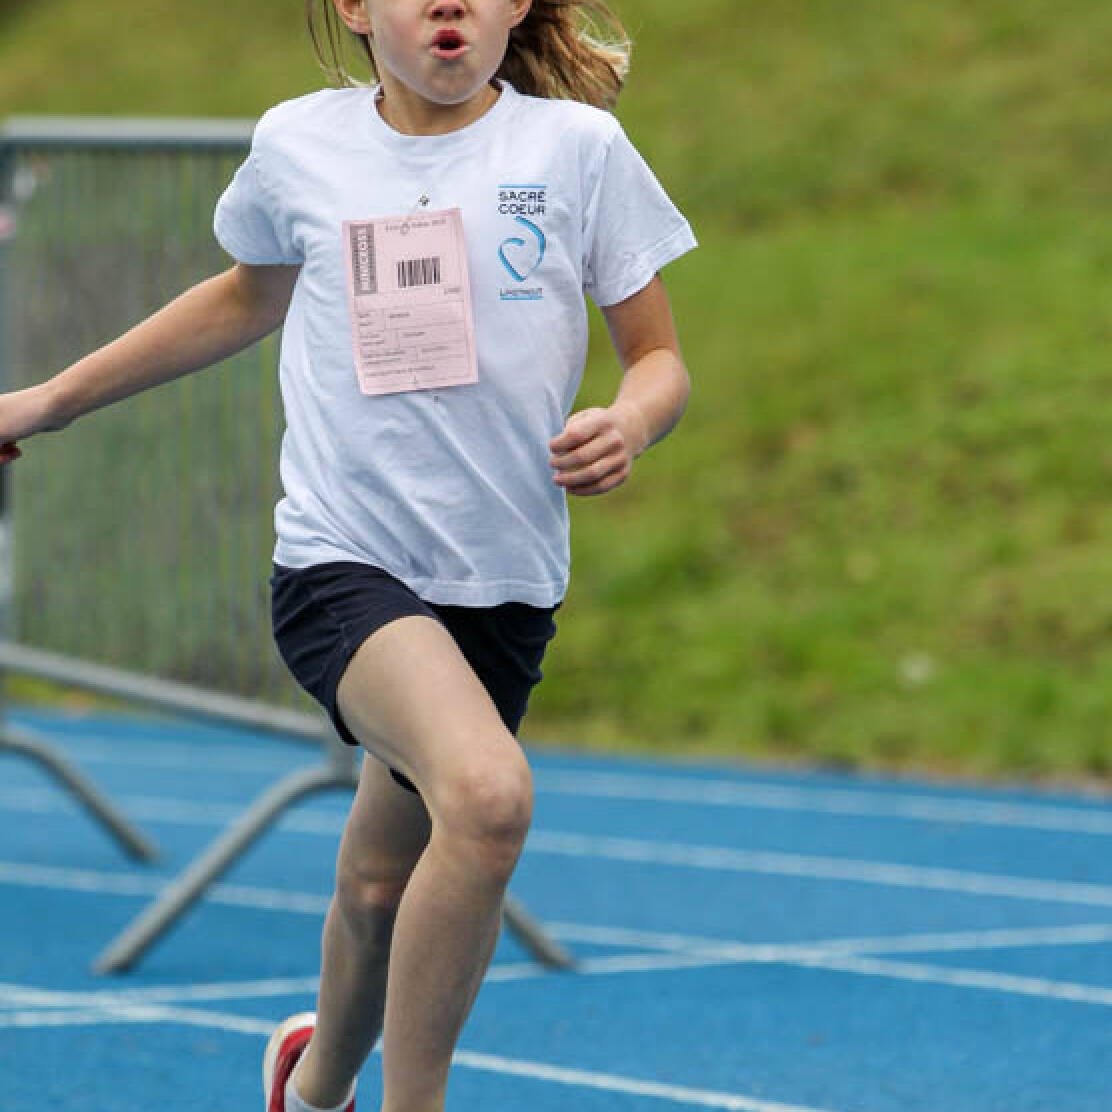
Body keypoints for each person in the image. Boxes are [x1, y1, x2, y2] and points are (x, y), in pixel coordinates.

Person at [0, 0, 696, 1107]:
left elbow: (656, 355)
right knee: (489, 797)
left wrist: (632, 420)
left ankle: (311, 1085)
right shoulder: (302, 143)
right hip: (344, 560)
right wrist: (49, 400)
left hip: (501, 582)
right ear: (357, 8)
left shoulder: (576, 150)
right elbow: (242, 297)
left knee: (379, 886)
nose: (449, 3)